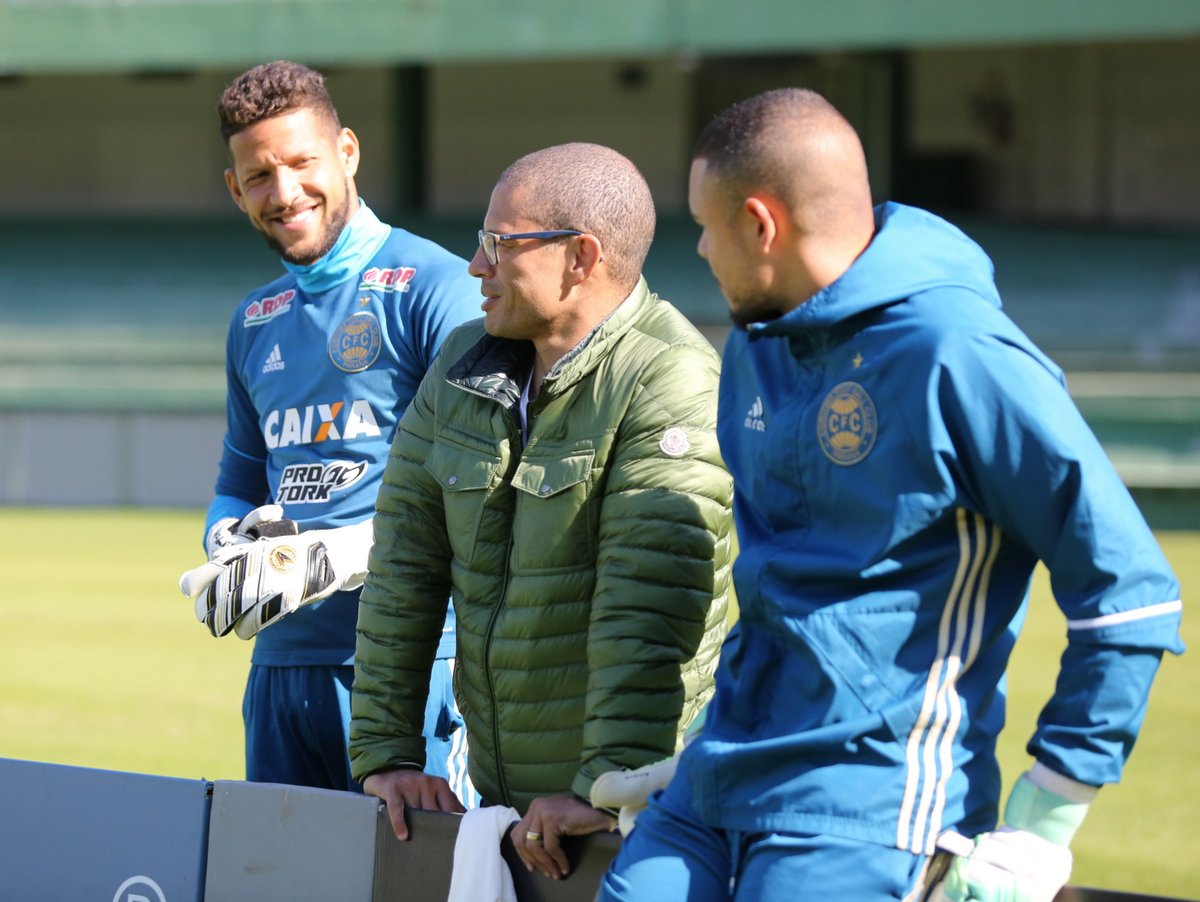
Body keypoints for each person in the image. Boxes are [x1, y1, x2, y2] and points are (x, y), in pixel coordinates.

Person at [598, 88, 1184, 901]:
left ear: (761, 226)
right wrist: (705, 745)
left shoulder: (958, 352)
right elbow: (778, 589)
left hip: (870, 804)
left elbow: (1129, 595)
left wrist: (1044, 822)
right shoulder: (752, 353)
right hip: (712, 786)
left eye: (706, 224)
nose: (698, 248)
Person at [349, 142, 734, 880]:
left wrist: (604, 783)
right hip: (507, 817)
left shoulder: (671, 380)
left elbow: (649, 607)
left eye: (500, 244)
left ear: (581, 257)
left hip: (633, 821)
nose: (475, 266)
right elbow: (402, 571)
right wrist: (389, 755)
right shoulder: (461, 364)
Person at [177, 60, 480, 797]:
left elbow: (478, 493)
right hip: (279, 676)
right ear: (234, 189)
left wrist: (340, 556)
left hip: (414, 668)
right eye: (258, 176)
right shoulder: (254, 321)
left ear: (346, 152)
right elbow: (239, 480)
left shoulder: (436, 289)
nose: (283, 193)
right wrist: (227, 542)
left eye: (301, 162)